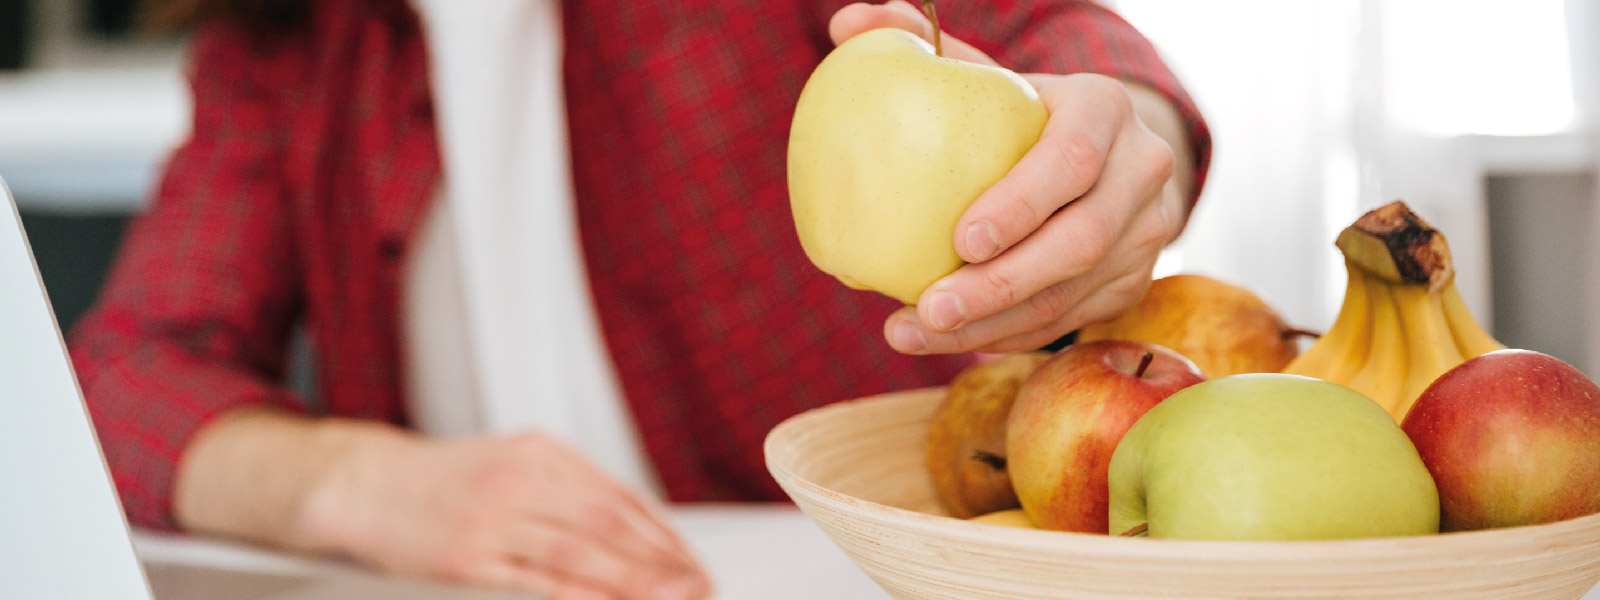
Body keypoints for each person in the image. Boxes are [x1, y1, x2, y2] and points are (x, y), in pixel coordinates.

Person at [69, 0, 1210, 598]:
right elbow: (124, 375)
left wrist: (1118, 138)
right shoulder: (279, 52)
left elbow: (1057, 40)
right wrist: (360, 484)